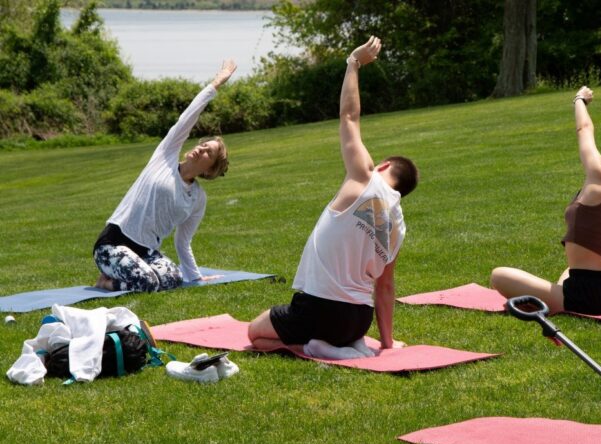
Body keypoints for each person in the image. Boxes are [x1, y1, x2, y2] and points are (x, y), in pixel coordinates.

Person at [247, 36, 419, 359]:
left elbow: (349, 117)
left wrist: (353, 63)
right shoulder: (398, 225)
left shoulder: (364, 177)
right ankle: (348, 343)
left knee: (255, 334)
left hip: (319, 310)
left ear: (382, 165)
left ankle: (318, 348)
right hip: (358, 320)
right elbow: (385, 289)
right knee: (329, 324)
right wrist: (386, 342)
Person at [490, 86, 601, 315]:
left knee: (498, 275)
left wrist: (579, 99)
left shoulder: (600, 176)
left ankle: (552, 303)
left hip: (586, 296)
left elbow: (584, 128)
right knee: (569, 270)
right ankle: (553, 298)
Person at [93, 59, 238, 292]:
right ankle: (107, 281)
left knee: (173, 278)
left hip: (146, 253)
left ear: (209, 170)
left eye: (207, 152)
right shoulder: (165, 157)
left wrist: (196, 277)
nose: (200, 148)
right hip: (112, 245)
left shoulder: (197, 199)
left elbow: (183, 241)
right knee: (149, 283)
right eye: (203, 144)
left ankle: (124, 278)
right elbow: (188, 117)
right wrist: (216, 83)